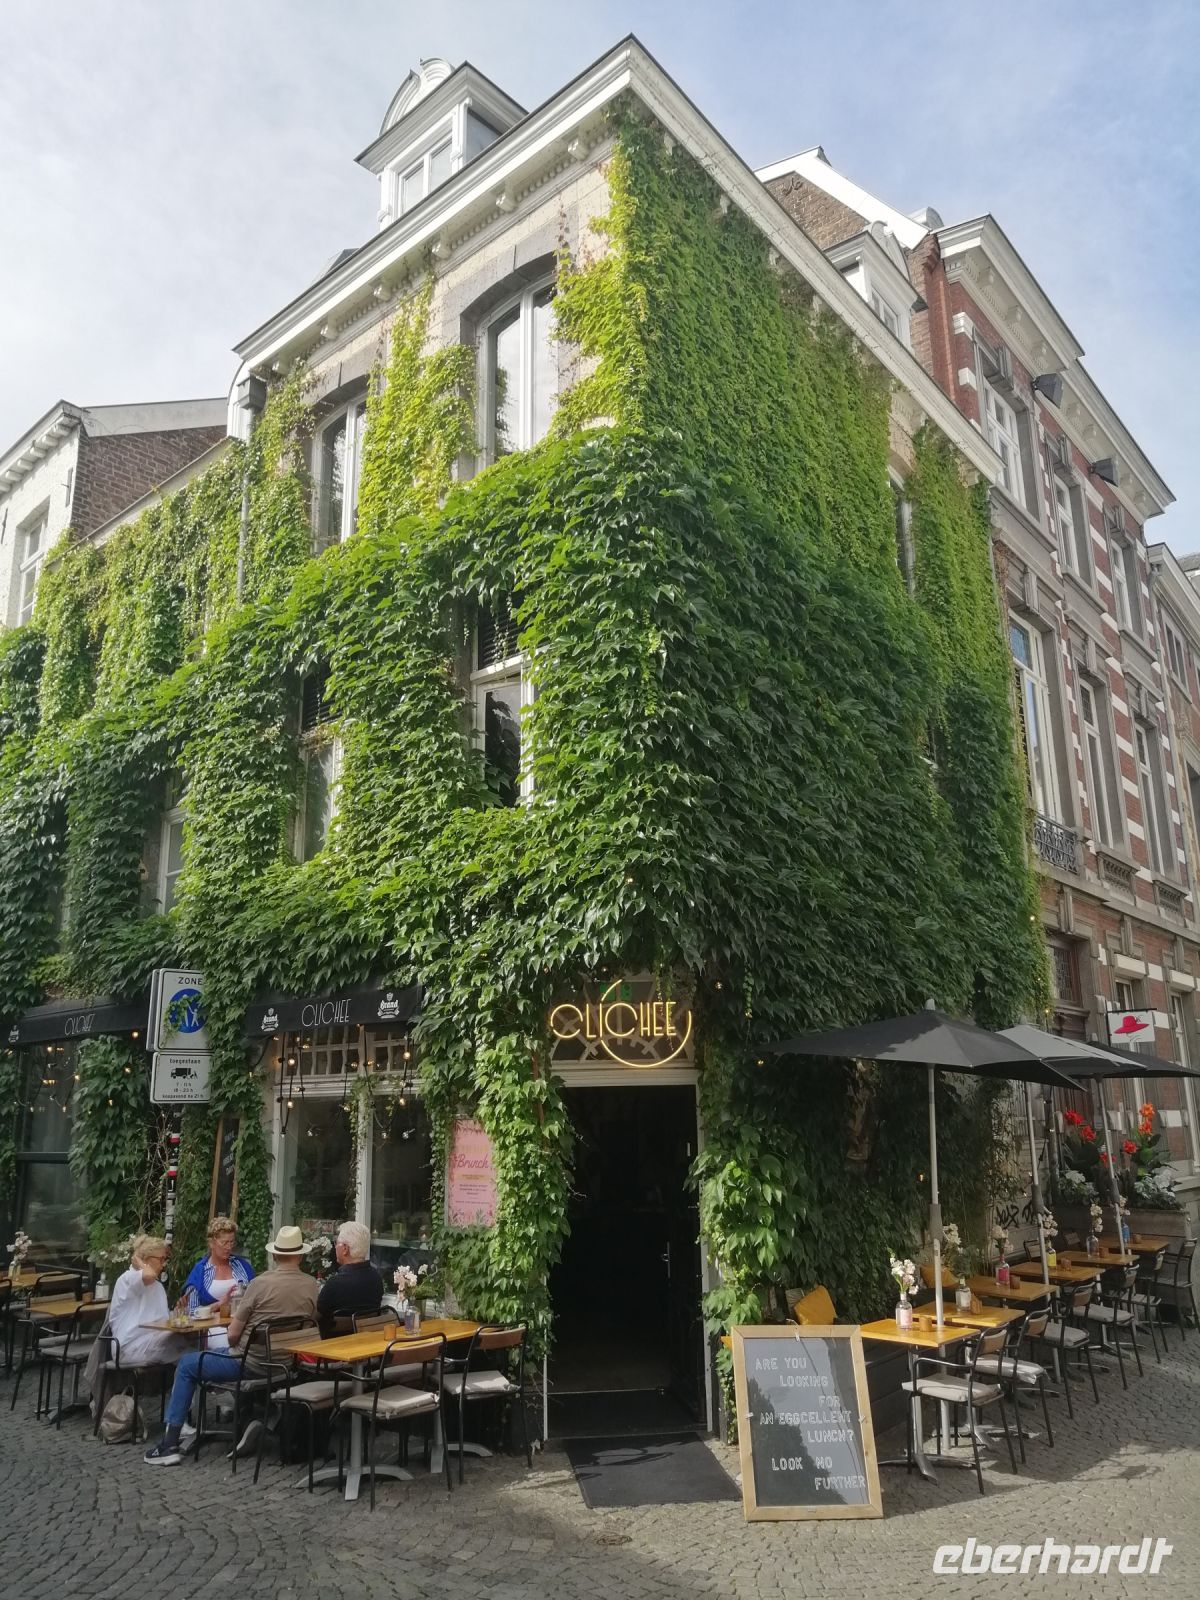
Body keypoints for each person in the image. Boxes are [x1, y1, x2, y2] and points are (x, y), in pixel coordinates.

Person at [144, 1224, 318, 1465]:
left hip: (251, 1363)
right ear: (300, 1255)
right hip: (288, 1363)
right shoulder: (311, 1285)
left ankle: (170, 1443)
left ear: (275, 1254)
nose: (229, 1246)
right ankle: (257, 1420)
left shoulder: (260, 1284)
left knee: (186, 1364)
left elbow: (233, 1336)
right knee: (213, 1354)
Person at [108, 1236, 190, 1367]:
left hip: (152, 1341)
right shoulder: (128, 1279)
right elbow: (149, 1275)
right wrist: (139, 1262)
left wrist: (177, 1312)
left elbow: (162, 1320)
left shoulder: (158, 1287)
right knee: (189, 1354)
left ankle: (179, 1385)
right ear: (145, 1259)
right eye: (160, 1259)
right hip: (128, 1346)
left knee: (191, 1344)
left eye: (165, 1259)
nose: (163, 1264)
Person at [316, 1220, 383, 1334]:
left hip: (333, 1345)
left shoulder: (334, 1284)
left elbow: (318, 1315)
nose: (335, 1246)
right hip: (366, 1341)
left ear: (345, 1249)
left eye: (336, 1243)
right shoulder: (376, 1278)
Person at [178, 1215, 254, 1312]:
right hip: (210, 1325)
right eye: (224, 1243)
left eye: (231, 1242)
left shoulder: (242, 1266)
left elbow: (255, 1297)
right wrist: (220, 1304)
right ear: (211, 1243)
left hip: (241, 1324)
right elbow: (192, 1312)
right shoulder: (200, 1272)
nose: (229, 1247)